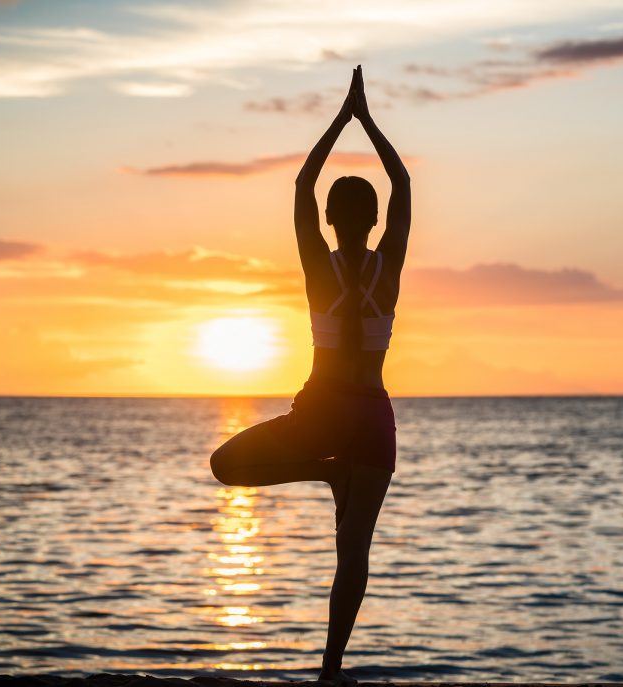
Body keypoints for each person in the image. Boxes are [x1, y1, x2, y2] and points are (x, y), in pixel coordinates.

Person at [209, 65, 411, 686]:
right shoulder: (391, 263)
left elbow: (303, 182)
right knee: (353, 551)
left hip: (322, 414)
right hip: (373, 419)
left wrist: (340, 120)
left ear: (328, 220)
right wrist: (368, 121)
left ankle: (321, 470)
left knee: (227, 466)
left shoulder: (317, 266)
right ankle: (330, 671)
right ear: (374, 221)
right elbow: (401, 180)